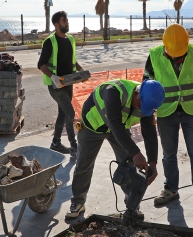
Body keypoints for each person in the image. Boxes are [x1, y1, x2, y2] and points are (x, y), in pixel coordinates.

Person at [66, 79, 165, 219]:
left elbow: (149, 132)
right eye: (141, 105)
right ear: (137, 93)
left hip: (119, 129)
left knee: (130, 168)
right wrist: (136, 153)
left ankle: (132, 205)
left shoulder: (147, 101)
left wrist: (153, 162)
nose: (142, 110)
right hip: (92, 127)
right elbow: (114, 123)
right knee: (84, 164)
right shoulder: (113, 91)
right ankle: (78, 202)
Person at [145, 24, 193, 211]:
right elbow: (146, 88)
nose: (177, 55)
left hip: (191, 111)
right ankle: (171, 188)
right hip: (165, 112)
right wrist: (149, 112)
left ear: (187, 43)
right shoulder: (154, 56)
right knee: (168, 155)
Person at [38, 11, 84, 158]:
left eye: (67, 20)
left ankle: (56, 143)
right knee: (70, 113)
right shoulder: (50, 42)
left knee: (63, 113)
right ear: (56, 24)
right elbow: (41, 64)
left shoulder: (70, 40)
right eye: (64, 21)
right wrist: (53, 77)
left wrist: (81, 71)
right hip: (55, 85)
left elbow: (73, 60)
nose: (67, 23)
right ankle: (74, 146)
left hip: (68, 83)